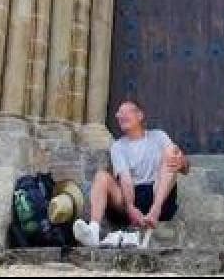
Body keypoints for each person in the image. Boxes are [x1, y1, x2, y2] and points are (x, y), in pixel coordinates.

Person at [73, 99, 189, 248]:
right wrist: (130, 207)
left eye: (125, 111)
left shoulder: (159, 136)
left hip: (159, 196)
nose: (119, 116)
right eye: (119, 113)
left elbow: (184, 167)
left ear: (140, 115)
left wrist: (182, 163)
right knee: (102, 176)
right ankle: (93, 232)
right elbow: (125, 180)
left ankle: (155, 210)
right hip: (131, 199)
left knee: (171, 155)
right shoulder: (118, 147)